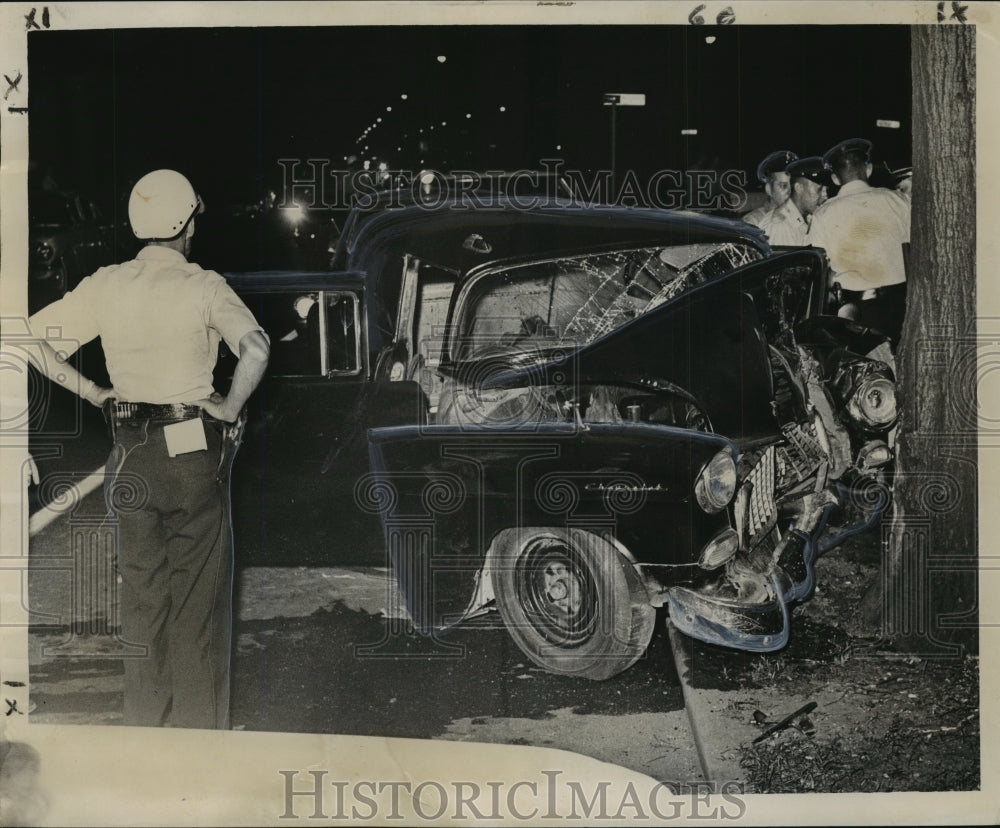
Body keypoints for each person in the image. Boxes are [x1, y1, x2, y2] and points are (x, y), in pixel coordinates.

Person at [28, 169, 270, 729]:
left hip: (128, 456)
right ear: (187, 223)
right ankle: (198, 749)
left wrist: (93, 392)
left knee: (142, 606)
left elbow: (27, 338)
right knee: (198, 611)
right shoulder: (204, 285)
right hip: (190, 457)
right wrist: (229, 409)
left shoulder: (107, 283)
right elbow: (255, 350)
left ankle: (144, 740)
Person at [807, 138, 911, 345]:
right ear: (869, 169)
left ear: (836, 179)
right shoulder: (900, 201)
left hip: (856, 314)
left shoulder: (823, 213)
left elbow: (820, 267)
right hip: (903, 306)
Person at [758, 156, 830, 246]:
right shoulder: (780, 226)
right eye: (819, 189)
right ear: (799, 188)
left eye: (826, 190)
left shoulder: (808, 218)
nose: (825, 195)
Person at [743, 149, 799, 227]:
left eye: (792, 185)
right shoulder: (754, 222)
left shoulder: (801, 218)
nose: (790, 191)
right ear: (769, 189)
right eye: (783, 186)